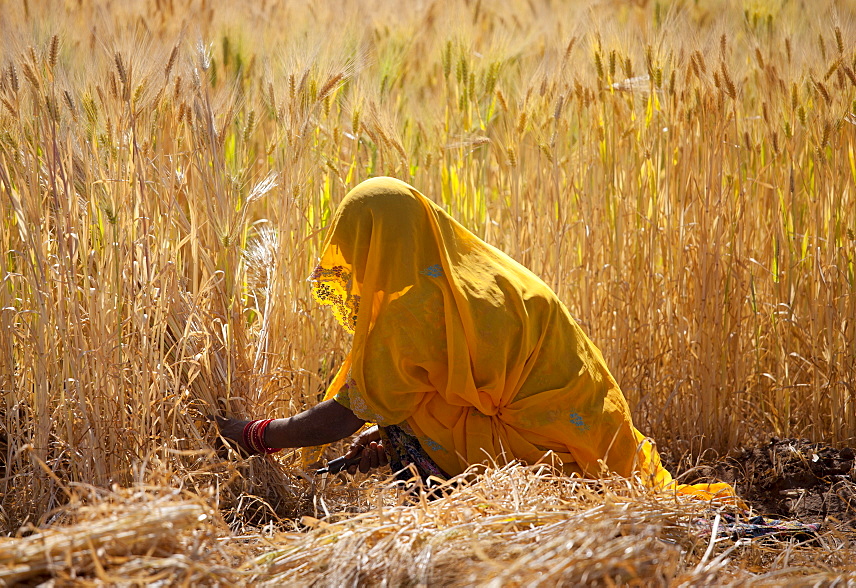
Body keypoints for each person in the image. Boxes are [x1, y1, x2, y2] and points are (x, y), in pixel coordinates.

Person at [216, 176, 737, 502]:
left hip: (549, 447)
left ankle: (436, 494)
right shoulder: (468, 278)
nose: (350, 266)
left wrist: (256, 434)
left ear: (378, 243)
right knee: (396, 410)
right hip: (587, 428)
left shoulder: (413, 312)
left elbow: (347, 413)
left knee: (393, 412)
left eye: (356, 246)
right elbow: (456, 380)